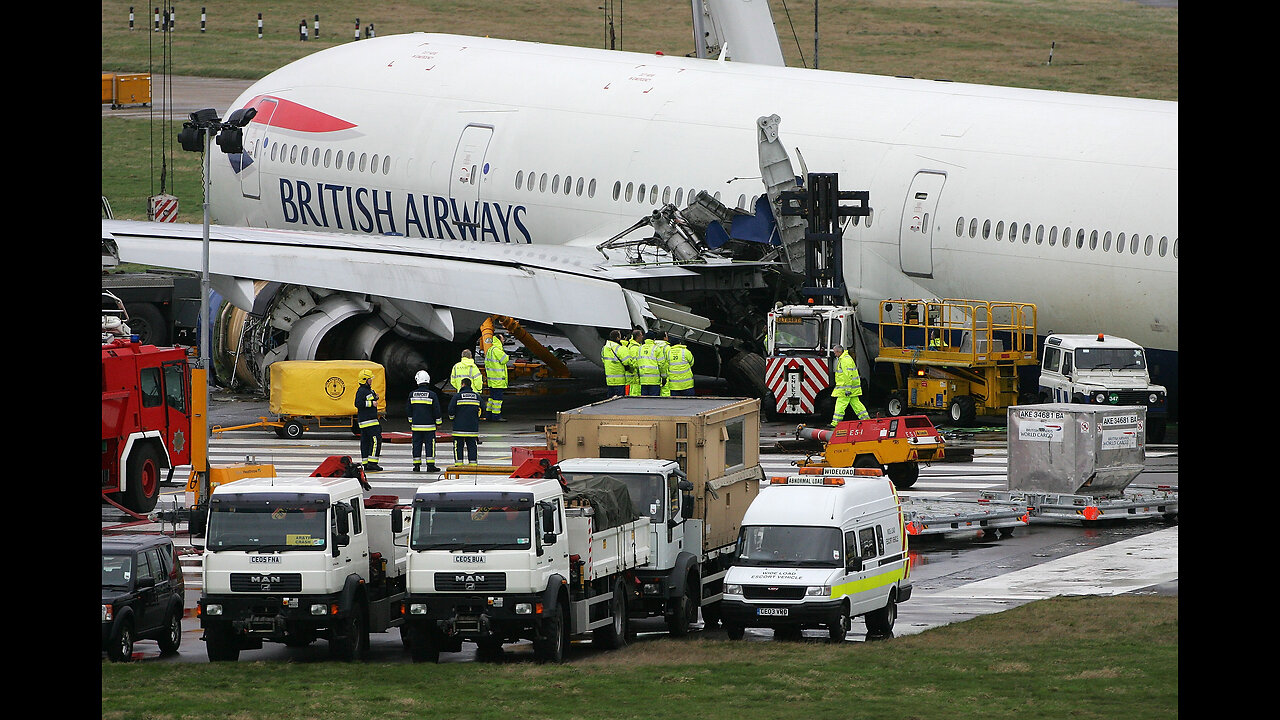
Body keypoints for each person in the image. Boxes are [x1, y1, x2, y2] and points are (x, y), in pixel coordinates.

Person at [406, 370, 443, 473]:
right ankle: (430, 465)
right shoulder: (432, 395)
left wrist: (411, 421)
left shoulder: (412, 394)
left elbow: (409, 410)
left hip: (416, 426)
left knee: (416, 445)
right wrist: (438, 422)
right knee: (430, 445)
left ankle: (416, 466)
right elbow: (437, 410)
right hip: (429, 426)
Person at [830, 345, 870, 427]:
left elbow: (848, 376)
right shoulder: (845, 358)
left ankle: (835, 423)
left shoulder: (844, 360)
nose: (835, 354)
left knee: (840, 405)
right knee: (857, 404)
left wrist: (847, 389)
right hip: (851, 388)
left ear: (839, 352)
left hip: (846, 389)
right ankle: (866, 420)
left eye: (835, 353)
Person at [354, 368, 383, 472]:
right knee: (376, 440)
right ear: (365, 380)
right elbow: (358, 404)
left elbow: (369, 398)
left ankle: (366, 463)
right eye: (370, 379)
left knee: (366, 442)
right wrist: (372, 404)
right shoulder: (361, 391)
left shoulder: (368, 390)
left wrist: (375, 398)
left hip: (366, 421)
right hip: (369, 421)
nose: (371, 380)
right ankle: (372, 463)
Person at [449, 378, 482, 465]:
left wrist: (452, 418)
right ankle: (473, 464)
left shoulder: (457, 396)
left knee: (458, 446)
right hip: (472, 428)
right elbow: (483, 408)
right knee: (472, 446)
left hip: (458, 428)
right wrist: (477, 418)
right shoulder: (476, 396)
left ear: (462, 384)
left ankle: (459, 464)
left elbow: (451, 409)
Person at [483, 333, 510, 421]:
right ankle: (496, 416)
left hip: (492, 380)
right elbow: (505, 359)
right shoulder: (497, 350)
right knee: (498, 400)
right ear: (499, 340)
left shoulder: (490, 350)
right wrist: (506, 354)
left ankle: (489, 415)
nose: (503, 341)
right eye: (502, 339)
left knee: (492, 399)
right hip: (498, 380)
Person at [601, 329, 628, 397]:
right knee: (620, 400)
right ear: (618, 338)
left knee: (610, 400)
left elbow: (603, 360)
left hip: (609, 380)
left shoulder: (604, 348)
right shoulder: (619, 348)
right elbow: (627, 362)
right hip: (619, 380)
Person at [637, 331, 663, 396]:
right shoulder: (656, 348)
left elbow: (636, 363)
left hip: (643, 380)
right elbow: (662, 364)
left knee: (644, 401)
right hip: (654, 380)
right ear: (654, 339)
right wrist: (664, 376)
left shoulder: (640, 348)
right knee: (654, 401)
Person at [623, 328, 644, 396]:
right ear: (637, 336)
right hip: (634, 377)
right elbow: (635, 363)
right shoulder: (635, 348)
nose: (642, 337)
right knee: (633, 393)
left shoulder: (633, 346)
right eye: (641, 335)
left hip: (633, 377)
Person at [652, 331, 671, 396]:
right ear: (664, 338)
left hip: (654, 374)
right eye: (666, 336)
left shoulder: (653, 346)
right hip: (665, 373)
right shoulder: (667, 347)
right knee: (665, 392)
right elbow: (669, 360)